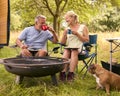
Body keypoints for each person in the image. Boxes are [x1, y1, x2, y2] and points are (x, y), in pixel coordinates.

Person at [59, 11, 89, 81]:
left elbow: (87, 40)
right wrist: (64, 34)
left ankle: (71, 74)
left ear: (72, 18)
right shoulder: (67, 29)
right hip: (69, 48)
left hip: (81, 48)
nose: (66, 20)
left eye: (67, 18)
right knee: (67, 50)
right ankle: (62, 73)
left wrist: (77, 34)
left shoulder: (83, 27)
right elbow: (62, 43)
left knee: (74, 51)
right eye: (65, 19)